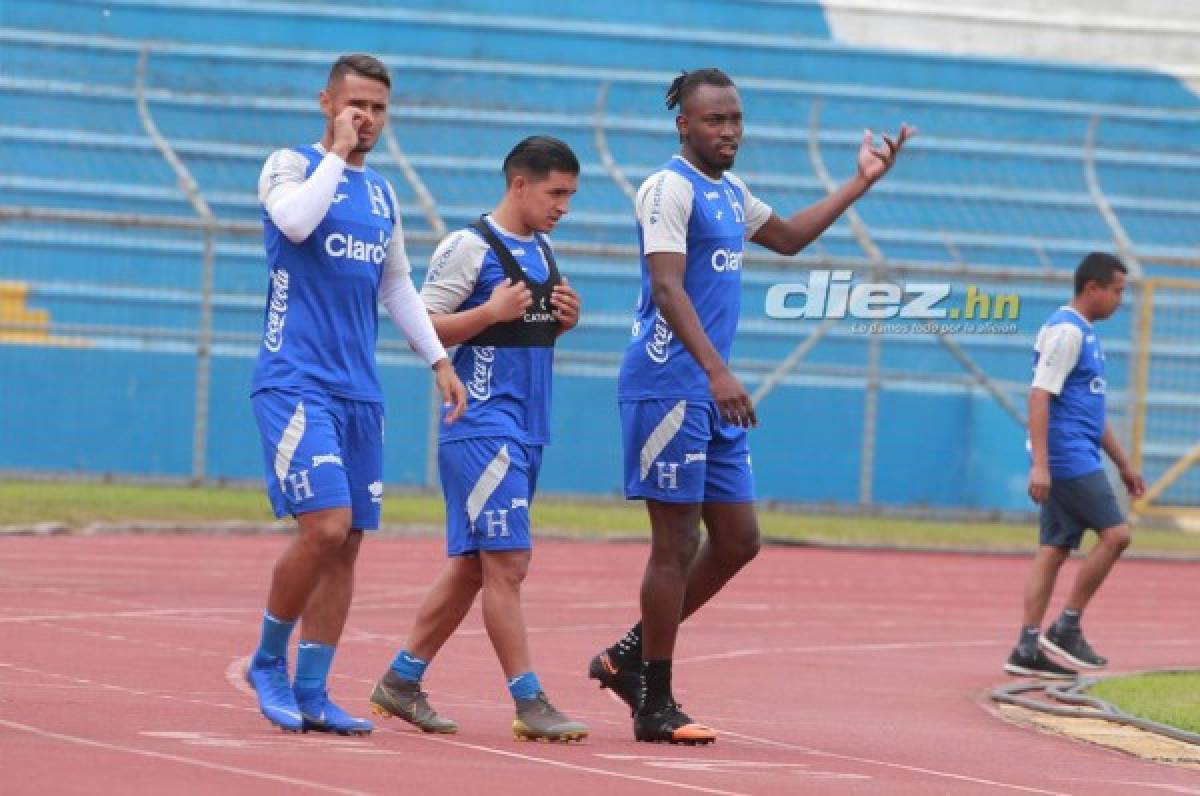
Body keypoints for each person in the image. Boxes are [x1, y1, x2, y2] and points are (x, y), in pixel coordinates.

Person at [588, 68, 913, 744]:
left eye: (736, 119)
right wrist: (717, 373)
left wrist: (863, 181)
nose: (729, 131)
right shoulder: (667, 188)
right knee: (675, 544)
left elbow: (791, 237)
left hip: (709, 388)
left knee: (738, 540)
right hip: (671, 385)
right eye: (715, 120)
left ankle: (627, 657)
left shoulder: (731, 193)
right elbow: (669, 289)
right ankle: (656, 702)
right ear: (684, 125)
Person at [245, 53, 466, 736]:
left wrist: (438, 359)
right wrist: (336, 155)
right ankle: (267, 661)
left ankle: (313, 689)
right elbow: (296, 225)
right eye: (355, 106)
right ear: (327, 104)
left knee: (349, 545)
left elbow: (395, 285)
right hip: (295, 381)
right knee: (325, 526)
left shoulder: (383, 196)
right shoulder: (290, 166)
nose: (367, 119)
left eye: (378, 109)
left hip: (357, 392)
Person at [368, 136, 588, 742]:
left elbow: (523, 333)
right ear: (520, 184)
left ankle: (401, 681)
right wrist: (488, 313)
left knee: (472, 566)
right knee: (509, 563)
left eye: (570, 195)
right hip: (481, 424)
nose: (564, 206)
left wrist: (562, 322)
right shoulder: (469, 247)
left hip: (528, 427)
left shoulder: (543, 252)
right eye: (556, 193)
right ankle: (530, 700)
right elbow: (421, 321)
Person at [1004, 252, 1144, 679]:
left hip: (1075, 450)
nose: (1121, 300)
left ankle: (1026, 647)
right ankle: (1066, 626)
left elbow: (1092, 415)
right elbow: (1039, 396)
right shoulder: (1067, 331)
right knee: (1117, 535)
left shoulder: (1086, 334)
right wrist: (1041, 465)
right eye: (1117, 291)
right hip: (1066, 455)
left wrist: (1122, 464)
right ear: (1092, 288)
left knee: (1054, 550)